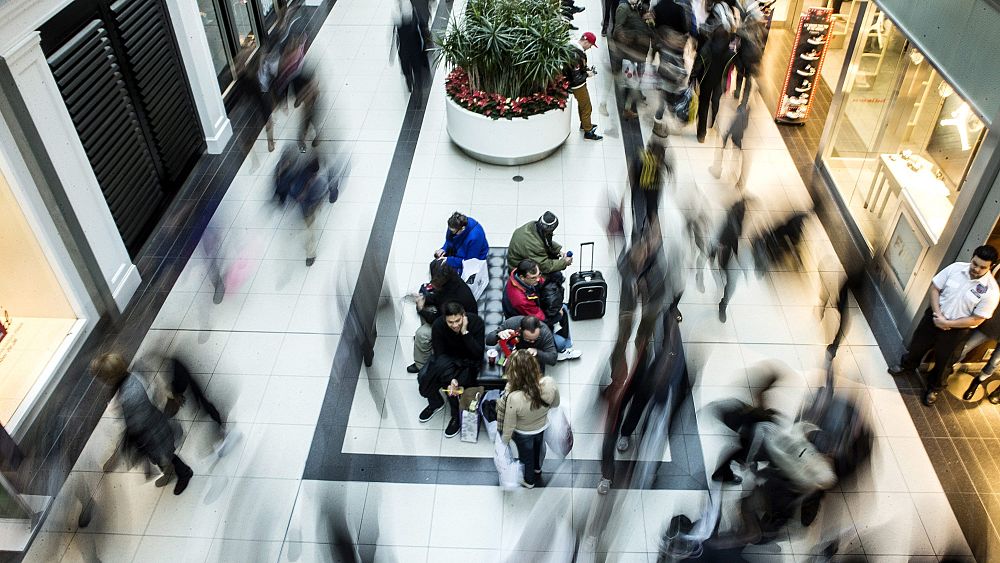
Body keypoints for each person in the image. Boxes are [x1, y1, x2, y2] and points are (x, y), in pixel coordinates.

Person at [888, 245, 1000, 406]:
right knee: (917, 346)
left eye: (983, 267)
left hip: (957, 331)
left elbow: (977, 319)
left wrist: (948, 323)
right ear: (972, 258)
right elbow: (935, 288)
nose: (976, 269)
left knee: (944, 362)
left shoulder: (991, 291)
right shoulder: (955, 268)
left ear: (991, 267)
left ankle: (934, 388)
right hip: (933, 318)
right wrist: (938, 315)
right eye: (975, 264)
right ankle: (907, 366)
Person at [90, 353, 193, 495]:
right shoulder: (132, 376)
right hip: (152, 427)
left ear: (110, 377)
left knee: (165, 453)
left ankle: (184, 472)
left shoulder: (129, 395)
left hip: (151, 431)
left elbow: (137, 422)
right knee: (159, 455)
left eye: (102, 378)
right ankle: (170, 471)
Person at [417, 301, 486, 437]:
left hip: (468, 362)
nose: (455, 325)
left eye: (457, 320)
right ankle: (435, 402)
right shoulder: (438, 326)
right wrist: (450, 375)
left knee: (452, 388)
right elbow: (440, 353)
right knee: (423, 376)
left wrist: (465, 332)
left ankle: (455, 416)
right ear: (445, 319)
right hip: (446, 359)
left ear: (463, 316)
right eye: (450, 322)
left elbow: (478, 353)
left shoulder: (476, 323)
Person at [497, 350, 561, 488]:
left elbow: (509, 424)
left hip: (523, 433)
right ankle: (538, 468)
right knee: (538, 448)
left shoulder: (513, 397)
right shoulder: (549, 383)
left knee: (527, 457)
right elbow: (556, 404)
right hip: (542, 426)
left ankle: (529, 481)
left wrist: (504, 441)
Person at [407, 259, 479, 374]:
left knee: (422, 334)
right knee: (427, 307)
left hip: (460, 327)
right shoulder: (452, 281)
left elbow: (438, 320)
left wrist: (420, 309)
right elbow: (438, 298)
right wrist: (424, 298)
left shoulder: (452, 300)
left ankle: (421, 366)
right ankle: (428, 345)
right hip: (454, 316)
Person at [504, 259, 582, 360]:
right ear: (522, 277)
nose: (538, 279)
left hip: (532, 309)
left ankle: (565, 342)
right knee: (561, 321)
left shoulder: (518, 275)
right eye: (533, 278)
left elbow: (540, 283)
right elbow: (540, 319)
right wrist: (557, 314)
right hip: (525, 321)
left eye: (538, 274)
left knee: (563, 309)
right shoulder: (520, 299)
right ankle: (561, 350)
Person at [691, 15, 736, 143]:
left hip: (706, 81)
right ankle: (712, 123)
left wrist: (692, 78)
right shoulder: (730, 54)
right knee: (715, 102)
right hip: (720, 83)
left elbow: (698, 65)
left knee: (703, 105)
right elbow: (732, 69)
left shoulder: (706, 48)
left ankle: (701, 134)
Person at [612, 0, 654, 119]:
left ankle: (632, 98)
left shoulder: (636, 8)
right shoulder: (624, 8)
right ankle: (627, 108)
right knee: (631, 80)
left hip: (638, 52)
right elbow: (617, 30)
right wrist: (626, 42)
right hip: (630, 53)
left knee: (637, 78)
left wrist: (644, 18)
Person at [507, 212, 573, 276]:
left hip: (519, 259)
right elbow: (544, 267)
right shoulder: (533, 244)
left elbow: (543, 240)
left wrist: (558, 251)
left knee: (554, 257)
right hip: (517, 270)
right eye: (551, 232)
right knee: (556, 276)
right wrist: (564, 262)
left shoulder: (533, 225)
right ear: (547, 231)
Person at [628, 136, 670, 236]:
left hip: (640, 187)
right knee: (651, 210)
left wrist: (630, 186)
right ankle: (648, 229)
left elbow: (632, 173)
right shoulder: (659, 163)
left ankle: (638, 228)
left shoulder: (641, 157)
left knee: (638, 209)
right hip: (653, 188)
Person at [486, 315, 559, 371]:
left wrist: (537, 352)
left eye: (536, 339)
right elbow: (488, 341)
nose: (532, 342)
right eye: (529, 340)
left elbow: (553, 359)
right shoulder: (512, 323)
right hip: (512, 356)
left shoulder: (545, 333)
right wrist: (498, 335)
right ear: (520, 330)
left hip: (534, 361)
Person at [569, 32, 603, 140]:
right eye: (591, 45)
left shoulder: (572, 47)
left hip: (576, 84)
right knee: (587, 107)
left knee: (582, 105)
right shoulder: (576, 53)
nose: (590, 48)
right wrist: (587, 74)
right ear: (586, 41)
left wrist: (586, 71)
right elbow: (576, 77)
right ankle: (588, 131)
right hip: (578, 86)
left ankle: (584, 124)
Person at [958, 313, 1000, 403]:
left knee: (994, 362)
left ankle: (976, 382)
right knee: (964, 347)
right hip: (993, 323)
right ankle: (947, 368)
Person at [434, 212, 490, 278]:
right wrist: (444, 249)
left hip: (474, 258)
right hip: (459, 251)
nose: (451, 232)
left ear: (462, 228)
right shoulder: (454, 226)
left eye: (453, 232)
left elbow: (469, 262)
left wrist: (448, 260)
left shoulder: (475, 237)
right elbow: (449, 240)